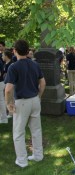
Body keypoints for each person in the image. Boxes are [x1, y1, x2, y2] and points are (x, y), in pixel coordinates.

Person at [4, 39, 46, 168]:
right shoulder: (35, 64)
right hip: (34, 100)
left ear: (15, 51)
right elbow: (43, 83)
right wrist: (39, 96)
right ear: (28, 51)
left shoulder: (13, 66)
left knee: (18, 132)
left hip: (22, 102)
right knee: (36, 130)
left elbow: (8, 89)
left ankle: (22, 161)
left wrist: (8, 103)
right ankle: (38, 156)